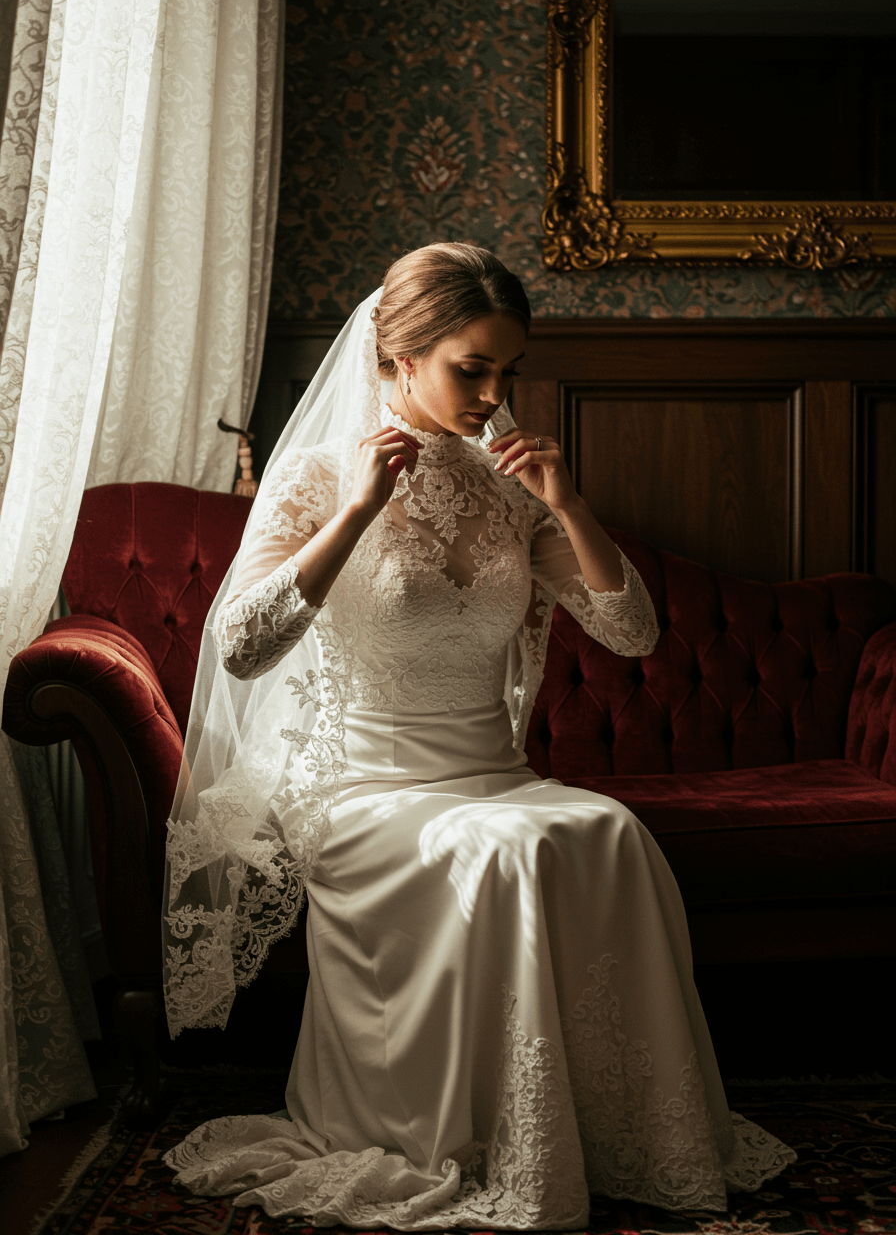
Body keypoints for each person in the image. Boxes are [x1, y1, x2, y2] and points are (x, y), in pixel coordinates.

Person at [162, 243, 795, 1229]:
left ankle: (606, 1132)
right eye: (472, 367)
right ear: (400, 357)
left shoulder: (508, 486)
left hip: (489, 775)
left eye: (508, 369)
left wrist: (567, 504)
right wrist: (359, 510)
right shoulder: (323, 473)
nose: (494, 393)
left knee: (607, 830)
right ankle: (458, 1134)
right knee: (517, 850)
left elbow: (630, 632)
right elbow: (242, 648)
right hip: (364, 790)